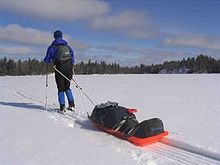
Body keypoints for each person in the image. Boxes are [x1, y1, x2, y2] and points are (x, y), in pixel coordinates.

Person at [44, 30, 75, 113]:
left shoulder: (53, 47)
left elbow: (47, 59)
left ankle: (62, 107)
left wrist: (46, 61)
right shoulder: (68, 47)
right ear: (61, 36)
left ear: (54, 36)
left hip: (59, 68)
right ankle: (72, 105)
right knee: (67, 87)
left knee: (60, 88)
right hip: (69, 68)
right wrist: (71, 66)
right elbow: (72, 57)